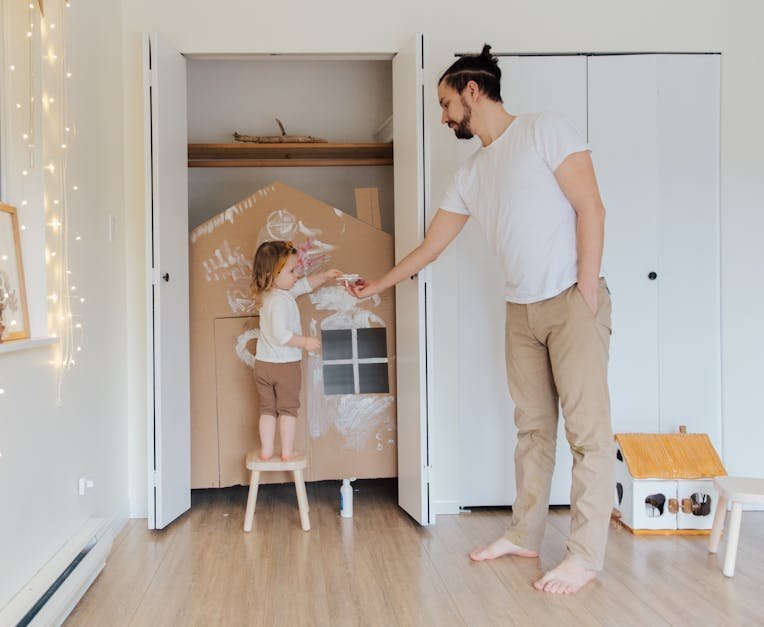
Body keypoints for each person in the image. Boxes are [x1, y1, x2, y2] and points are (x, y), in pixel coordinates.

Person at [348, 44, 612, 594]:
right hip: (520, 309)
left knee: (587, 436)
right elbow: (431, 247)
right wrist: (378, 283)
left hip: (570, 299)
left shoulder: (544, 130)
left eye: (446, 103)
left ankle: (585, 556)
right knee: (533, 430)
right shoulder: (471, 174)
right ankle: (524, 535)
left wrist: (586, 289)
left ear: (473, 90)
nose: (443, 117)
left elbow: (591, 205)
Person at [250, 240, 341, 461]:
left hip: (263, 365)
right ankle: (287, 451)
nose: (296, 274)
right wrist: (305, 342)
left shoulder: (270, 295)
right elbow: (281, 335)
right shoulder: (281, 302)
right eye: (291, 270)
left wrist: (326, 275)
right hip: (284, 366)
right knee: (288, 410)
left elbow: (305, 285)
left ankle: (267, 450)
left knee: (267, 410)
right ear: (273, 274)